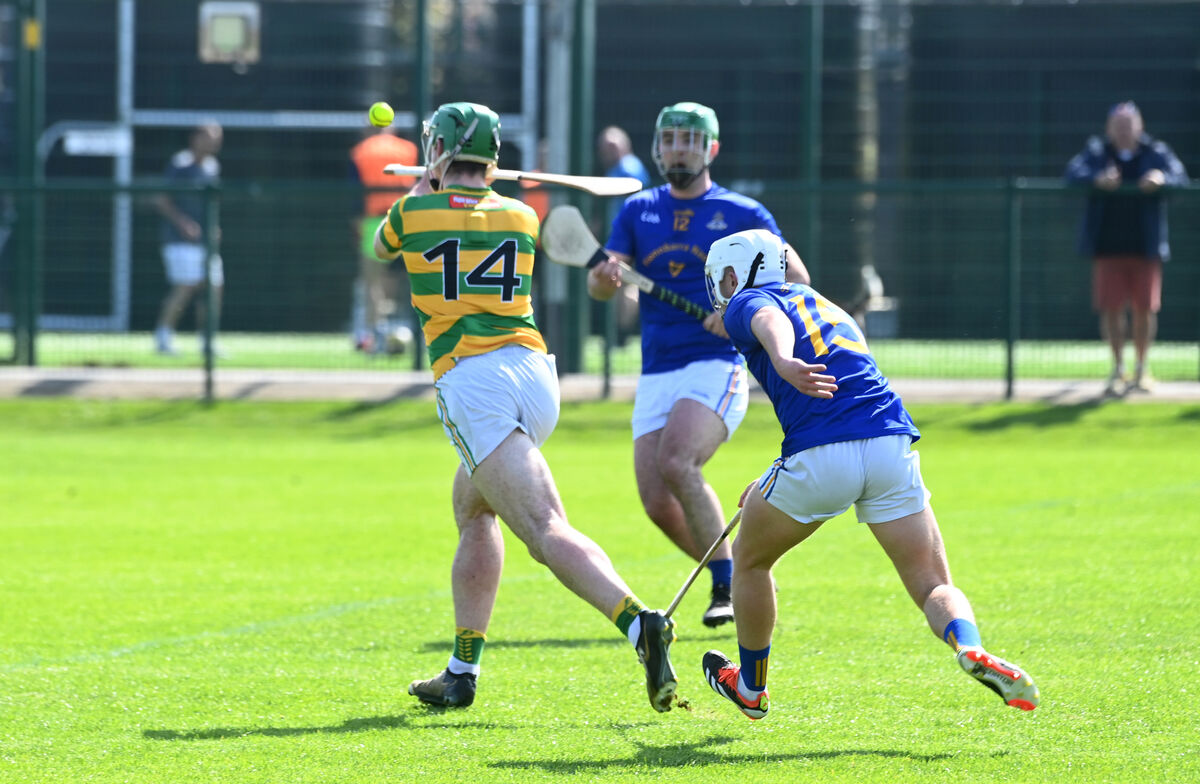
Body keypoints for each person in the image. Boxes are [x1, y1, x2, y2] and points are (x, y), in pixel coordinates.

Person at [373, 102, 678, 713]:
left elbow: (381, 248)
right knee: (473, 507)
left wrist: (427, 186)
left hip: (473, 380)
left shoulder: (409, 211)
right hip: (535, 376)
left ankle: (638, 623)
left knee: (545, 531)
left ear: (440, 151)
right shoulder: (519, 213)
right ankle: (462, 671)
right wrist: (455, 188)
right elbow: (475, 214)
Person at [698, 229, 1041, 720]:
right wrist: (776, 476)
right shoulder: (824, 303)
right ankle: (968, 647)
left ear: (733, 274)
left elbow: (768, 317)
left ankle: (750, 689)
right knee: (931, 583)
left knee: (749, 562)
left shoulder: (747, 300)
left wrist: (782, 358)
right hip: (889, 446)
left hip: (819, 456)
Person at [587, 101, 808, 629]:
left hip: (717, 361)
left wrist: (736, 311)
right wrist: (603, 279)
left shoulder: (744, 213)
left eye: (691, 139)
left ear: (711, 149)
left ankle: (727, 586)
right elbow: (603, 283)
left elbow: (795, 280)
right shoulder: (637, 211)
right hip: (658, 367)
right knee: (655, 499)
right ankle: (738, 572)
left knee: (678, 462)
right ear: (657, 149)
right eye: (670, 139)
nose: (679, 148)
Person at [1064, 101, 1189, 394]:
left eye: (1128, 125)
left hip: (1146, 247)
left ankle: (1142, 370)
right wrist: (1097, 180)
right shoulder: (1097, 152)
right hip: (1108, 247)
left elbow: (1179, 177)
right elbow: (1071, 174)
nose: (1123, 131)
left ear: (1139, 126)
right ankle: (1118, 369)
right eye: (1117, 126)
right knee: (1111, 309)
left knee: (1145, 308)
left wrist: (1161, 179)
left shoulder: (1155, 152)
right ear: (1109, 128)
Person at [152, 122, 225, 357]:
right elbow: (162, 200)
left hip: (206, 242)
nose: (213, 142)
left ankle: (207, 342)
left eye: (217, 137)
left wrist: (213, 227)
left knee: (214, 287)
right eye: (208, 136)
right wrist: (182, 223)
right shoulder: (179, 165)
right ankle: (163, 336)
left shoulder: (213, 167)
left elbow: (212, 203)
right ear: (195, 138)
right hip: (178, 241)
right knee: (185, 286)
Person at [349, 126, 418, 353]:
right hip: (405, 219)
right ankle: (411, 334)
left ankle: (372, 338)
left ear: (369, 128)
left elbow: (355, 191)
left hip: (373, 220)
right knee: (409, 280)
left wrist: (356, 222)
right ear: (392, 127)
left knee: (372, 283)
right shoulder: (408, 150)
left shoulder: (361, 152)